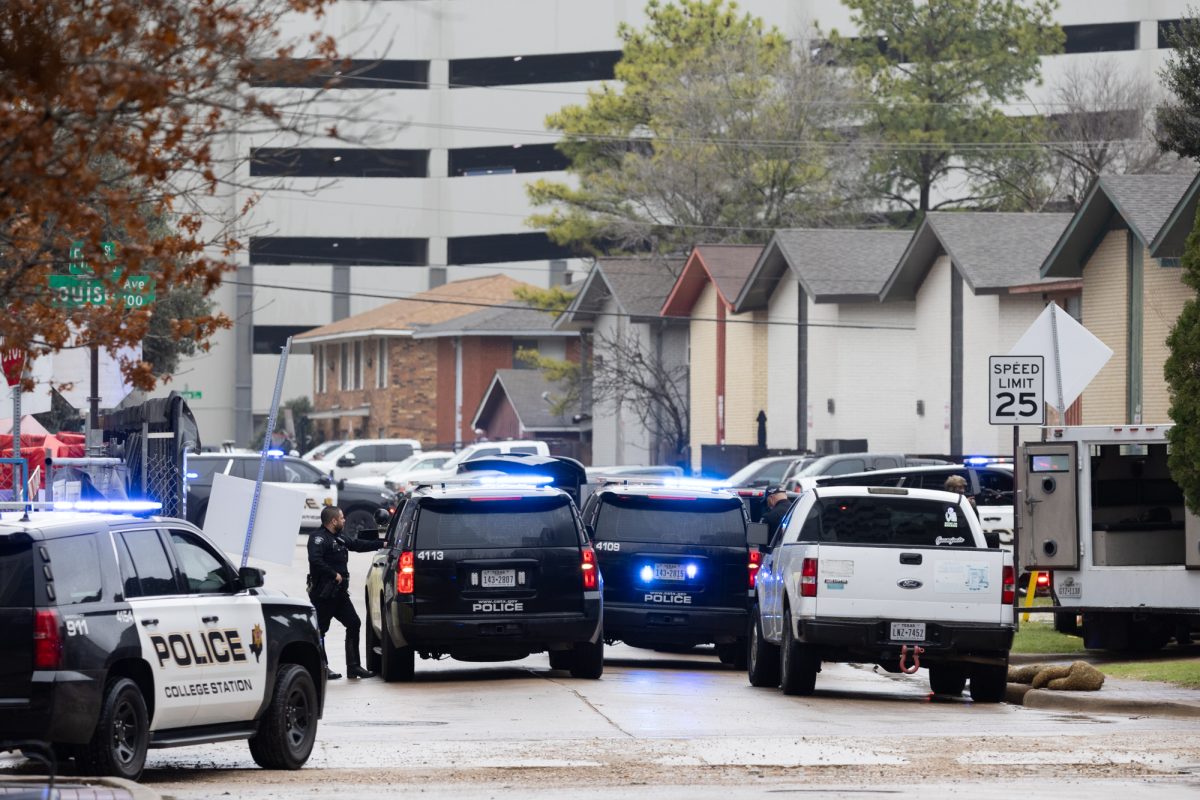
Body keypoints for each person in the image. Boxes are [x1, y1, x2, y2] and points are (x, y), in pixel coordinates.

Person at [307, 506, 380, 679]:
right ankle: (322, 668)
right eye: (341, 518)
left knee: (354, 623)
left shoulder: (338, 537)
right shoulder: (318, 538)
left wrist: (382, 544)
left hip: (339, 594)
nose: (344, 520)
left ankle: (353, 667)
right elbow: (315, 560)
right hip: (324, 594)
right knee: (320, 631)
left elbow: (356, 545)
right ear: (333, 521)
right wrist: (334, 574)